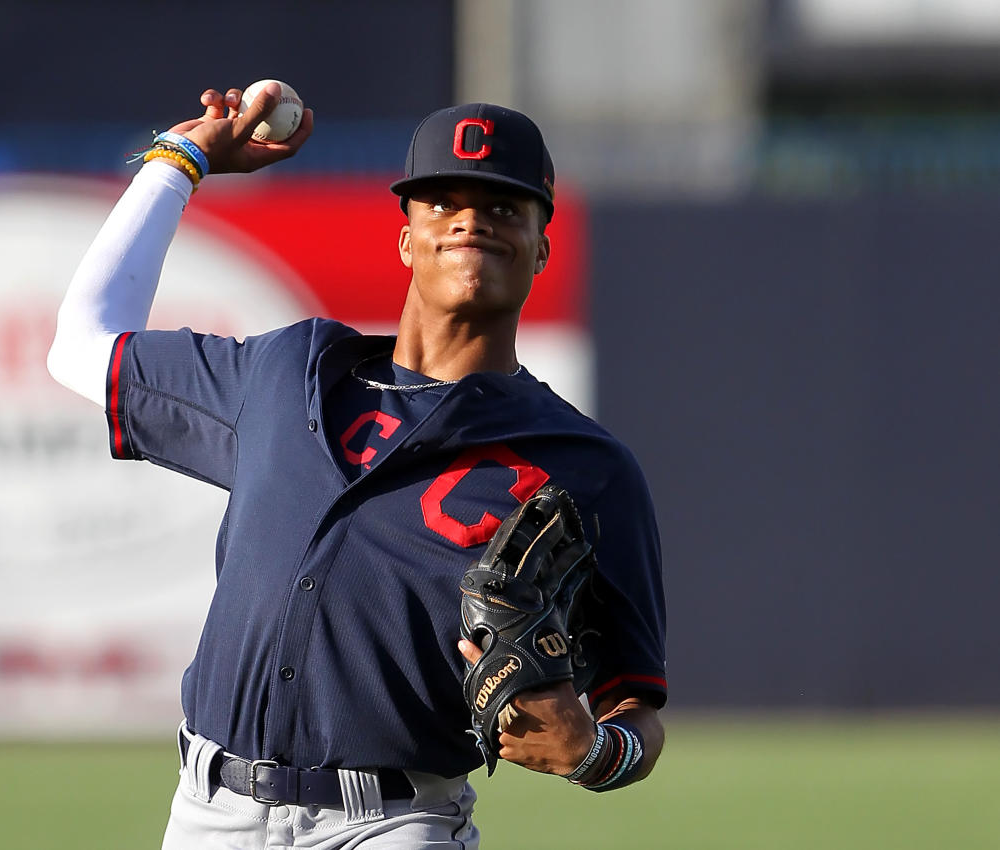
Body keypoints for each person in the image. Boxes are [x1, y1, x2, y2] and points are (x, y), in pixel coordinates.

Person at [48, 83, 667, 849]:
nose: (472, 219)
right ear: (406, 238)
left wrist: (602, 754)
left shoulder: (585, 466)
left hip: (395, 822)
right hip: (207, 812)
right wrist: (183, 157)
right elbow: (80, 345)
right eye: (443, 201)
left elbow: (635, 707)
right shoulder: (285, 373)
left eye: (505, 207)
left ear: (542, 246)